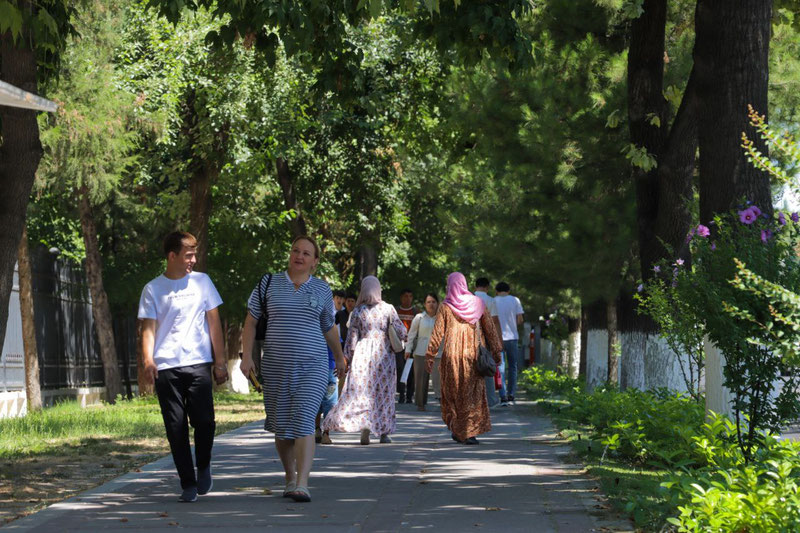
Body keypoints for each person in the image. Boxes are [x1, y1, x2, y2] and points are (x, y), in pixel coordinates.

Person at [240, 235, 346, 503]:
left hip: (313, 365)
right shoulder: (269, 284)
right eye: (296, 251)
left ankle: (303, 483)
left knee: (304, 419)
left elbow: (329, 328)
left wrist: (340, 357)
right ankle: (289, 477)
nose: (299, 256)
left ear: (315, 262)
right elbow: (251, 322)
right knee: (281, 425)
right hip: (276, 366)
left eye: (307, 253)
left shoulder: (322, 289)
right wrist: (246, 357)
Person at [138, 231, 229, 503]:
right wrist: (148, 360)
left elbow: (214, 323)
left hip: (198, 363)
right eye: (188, 254)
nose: (193, 259)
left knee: (205, 422)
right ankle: (187, 483)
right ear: (172, 256)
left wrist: (220, 362)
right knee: (175, 426)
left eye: (195, 254)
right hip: (167, 366)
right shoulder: (153, 289)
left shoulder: (202, 282)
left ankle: (203, 465)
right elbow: (148, 329)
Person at [322, 276, 407, 445]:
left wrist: (346, 359)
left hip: (362, 356)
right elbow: (403, 332)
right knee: (383, 394)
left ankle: (361, 430)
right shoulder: (389, 309)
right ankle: (383, 433)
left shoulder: (358, 312)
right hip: (384, 358)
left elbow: (351, 341)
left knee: (359, 394)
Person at [426, 272, 502, 445]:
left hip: (451, 357)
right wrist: (496, 352)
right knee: (472, 395)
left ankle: (458, 428)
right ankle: (468, 432)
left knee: (454, 394)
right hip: (473, 356)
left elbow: (437, 334)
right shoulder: (479, 304)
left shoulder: (446, 307)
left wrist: (430, 355)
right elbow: (490, 330)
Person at [404, 293, 440, 411]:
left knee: (438, 378)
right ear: (425, 304)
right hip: (420, 352)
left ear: (438, 304)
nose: (431, 304)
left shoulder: (442, 318)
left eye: (433, 302)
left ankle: (442, 400)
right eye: (428, 302)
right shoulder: (419, 317)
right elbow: (411, 335)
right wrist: (408, 350)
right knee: (420, 379)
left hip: (438, 353)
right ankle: (420, 403)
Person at [492, 281, 525, 403]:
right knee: (513, 367)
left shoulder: (493, 301)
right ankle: (511, 393)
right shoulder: (515, 300)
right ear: (508, 291)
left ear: (496, 291)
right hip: (512, 337)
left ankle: (503, 395)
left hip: (497, 338)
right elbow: (520, 319)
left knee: (500, 368)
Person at [474, 277, 500, 408]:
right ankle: (490, 399)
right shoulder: (490, 300)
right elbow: (494, 321)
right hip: (486, 338)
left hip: (470, 338)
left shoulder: (469, 299)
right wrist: (497, 342)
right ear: (487, 287)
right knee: (487, 366)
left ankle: (473, 399)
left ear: (475, 286)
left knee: (472, 368)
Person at [395, 289, 418, 404]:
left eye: (410, 296)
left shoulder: (415, 312)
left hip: (412, 346)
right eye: (405, 296)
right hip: (399, 346)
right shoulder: (396, 311)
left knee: (410, 371)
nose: (407, 298)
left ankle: (409, 395)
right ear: (401, 298)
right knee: (400, 369)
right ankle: (401, 394)